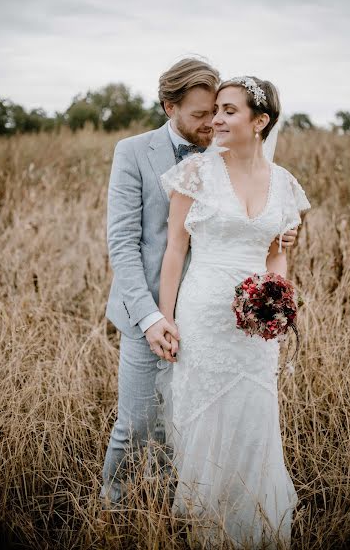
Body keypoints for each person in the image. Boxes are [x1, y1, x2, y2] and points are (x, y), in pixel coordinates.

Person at [100, 59, 299, 508]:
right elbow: (124, 246)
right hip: (150, 309)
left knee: (194, 423)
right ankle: (111, 508)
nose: (212, 123)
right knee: (136, 424)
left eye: (218, 112)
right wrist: (155, 318)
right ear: (169, 108)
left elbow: (257, 218)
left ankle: (187, 507)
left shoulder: (231, 155)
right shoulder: (133, 152)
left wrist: (277, 234)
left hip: (225, 318)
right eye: (199, 115)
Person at [156, 76, 311, 548]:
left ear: (260, 122)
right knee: (204, 413)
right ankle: (208, 526)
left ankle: (256, 523)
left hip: (256, 324)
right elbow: (175, 250)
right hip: (203, 312)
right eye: (216, 110)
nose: (217, 120)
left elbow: (276, 254)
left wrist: (276, 295)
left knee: (254, 410)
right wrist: (165, 317)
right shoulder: (196, 174)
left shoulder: (284, 183)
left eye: (229, 111)